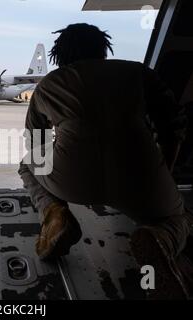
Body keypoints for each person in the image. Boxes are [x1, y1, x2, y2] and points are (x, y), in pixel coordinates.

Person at [18, 23, 192, 299]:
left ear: (58, 56)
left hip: (71, 183)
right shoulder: (137, 72)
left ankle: (55, 214)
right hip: (140, 178)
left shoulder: (48, 85)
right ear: (103, 49)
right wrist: (162, 176)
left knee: (27, 164)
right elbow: (173, 128)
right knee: (179, 218)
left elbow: (34, 145)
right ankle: (162, 239)